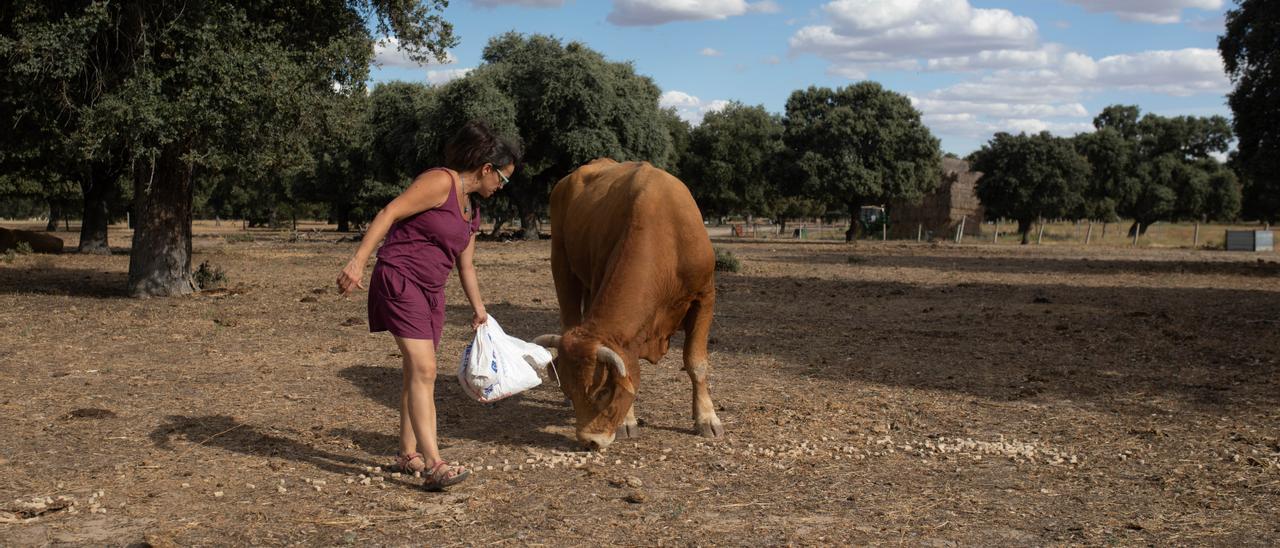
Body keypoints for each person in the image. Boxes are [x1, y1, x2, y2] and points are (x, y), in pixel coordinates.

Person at [337, 120, 520, 491]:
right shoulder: (441, 182)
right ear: (486, 169)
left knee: (415, 372)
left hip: (432, 293)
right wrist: (357, 262)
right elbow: (389, 213)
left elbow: (465, 264)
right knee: (425, 369)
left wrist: (479, 309)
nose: (502, 186)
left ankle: (407, 453)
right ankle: (435, 463)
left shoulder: (472, 212)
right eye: (502, 178)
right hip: (399, 279)